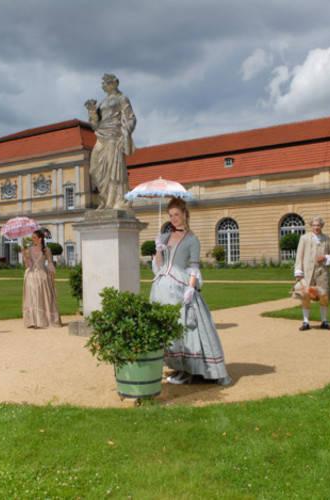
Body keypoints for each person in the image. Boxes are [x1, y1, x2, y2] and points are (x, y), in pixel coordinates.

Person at [150, 197, 231, 385]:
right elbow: (159, 267)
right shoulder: (163, 237)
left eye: (177, 214)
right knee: (168, 328)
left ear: (185, 215)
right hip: (162, 289)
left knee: (185, 328)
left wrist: (191, 288)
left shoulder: (192, 240)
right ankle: (177, 368)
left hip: (180, 287)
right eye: (170, 215)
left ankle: (189, 370)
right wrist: (159, 250)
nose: (173, 218)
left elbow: (194, 267)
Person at [84, 73, 137, 210]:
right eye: (102, 83)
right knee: (94, 169)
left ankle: (113, 201)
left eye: (105, 82)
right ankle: (104, 197)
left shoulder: (122, 98)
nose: (102, 85)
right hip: (101, 136)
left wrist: (125, 134)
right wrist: (92, 113)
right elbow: (95, 126)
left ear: (114, 83)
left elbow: (131, 118)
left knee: (114, 171)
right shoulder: (102, 102)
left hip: (114, 137)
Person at [293, 216, 330, 330]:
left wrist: (326, 257)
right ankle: (306, 322)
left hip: (323, 273)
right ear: (311, 226)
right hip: (307, 272)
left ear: (322, 226)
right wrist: (298, 271)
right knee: (305, 296)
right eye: (314, 225)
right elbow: (299, 256)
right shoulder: (304, 238)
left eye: (318, 225)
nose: (316, 227)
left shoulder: (327, 239)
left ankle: (324, 321)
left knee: (324, 296)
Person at [22, 230, 61, 328]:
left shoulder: (46, 250)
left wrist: (52, 274)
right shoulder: (29, 250)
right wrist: (25, 256)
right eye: (32, 237)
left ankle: (43, 321)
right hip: (31, 276)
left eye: (34, 237)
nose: (32, 239)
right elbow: (28, 265)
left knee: (41, 297)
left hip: (42, 276)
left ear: (40, 239)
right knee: (31, 298)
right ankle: (32, 321)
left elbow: (50, 263)